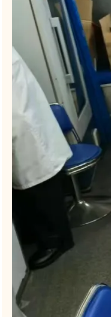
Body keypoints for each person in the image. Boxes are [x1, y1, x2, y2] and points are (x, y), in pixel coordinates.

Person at [12, 47, 74, 270]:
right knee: (33, 195)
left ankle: (56, 242)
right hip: (23, 131)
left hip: (24, 134)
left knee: (41, 193)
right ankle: (42, 237)